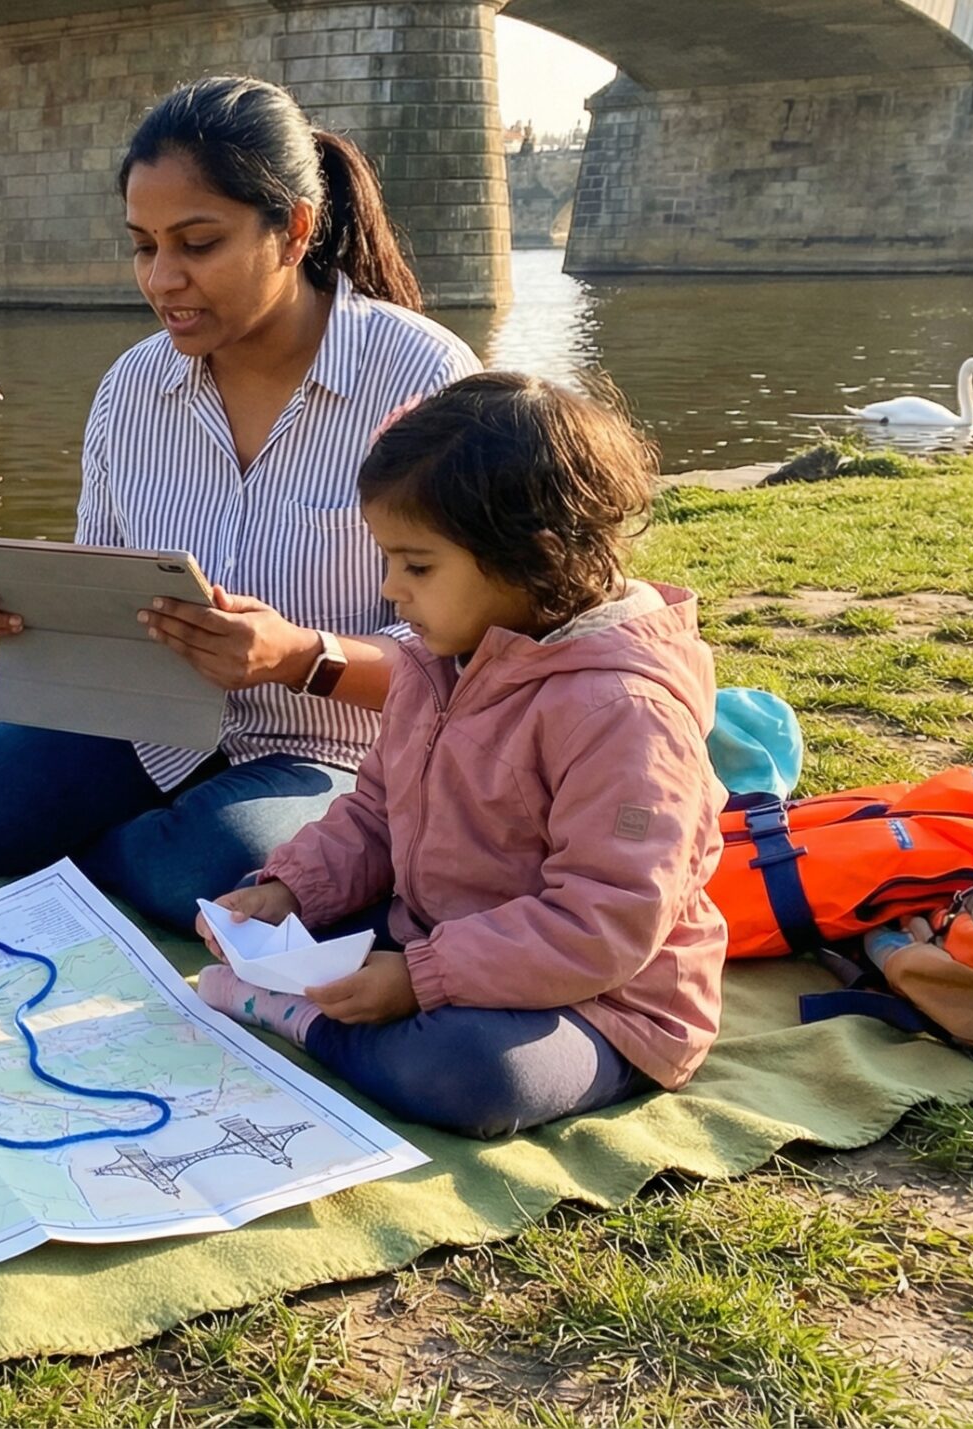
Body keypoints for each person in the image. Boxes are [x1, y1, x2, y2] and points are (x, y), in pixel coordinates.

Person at [0, 76, 481, 936]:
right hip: (145, 730)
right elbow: (107, 584)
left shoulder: (427, 383)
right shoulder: (132, 388)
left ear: (294, 229)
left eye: (197, 243)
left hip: (332, 751)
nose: (162, 278)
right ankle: (34, 806)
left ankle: (108, 841)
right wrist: (36, 614)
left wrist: (301, 656)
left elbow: (478, 654)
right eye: (143, 246)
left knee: (194, 869)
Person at [194, 373, 727, 1139]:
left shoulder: (624, 713)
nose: (391, 590)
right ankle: (332, 1000)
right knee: (267, 904)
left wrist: (420, 978)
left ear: (531, 555)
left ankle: (308, 1022)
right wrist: (291, 890)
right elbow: (377, 811)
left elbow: (603, 921)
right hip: (445, 940)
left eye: (417, 566)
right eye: (389, 560)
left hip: (604, 1003)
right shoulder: (434, 658)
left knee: (475, 1074)